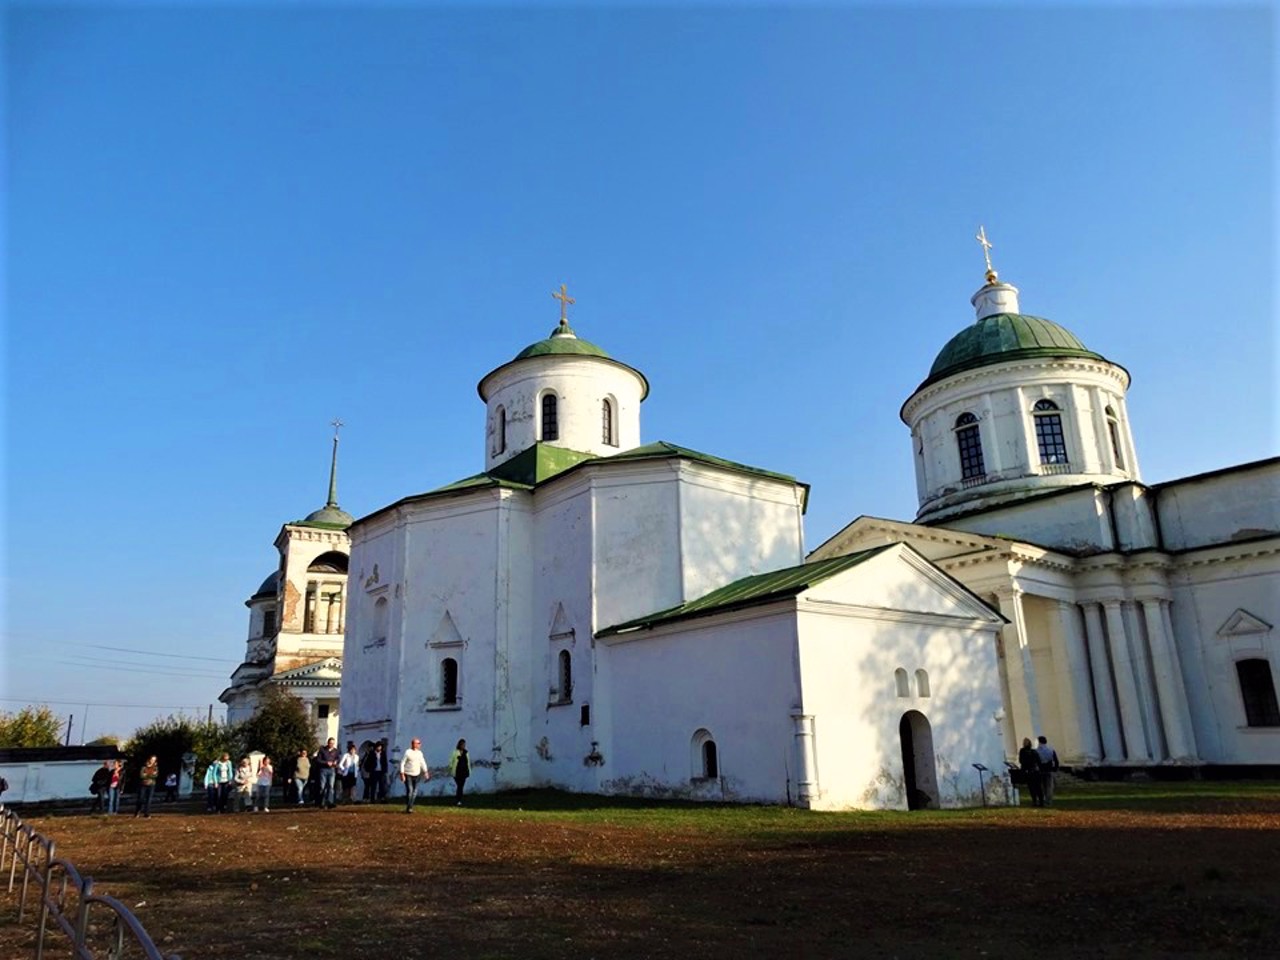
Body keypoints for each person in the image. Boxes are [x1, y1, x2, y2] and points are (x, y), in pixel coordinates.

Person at [399, 738, 430, 813]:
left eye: (419, 743)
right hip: (408, 774)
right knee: (410, 790)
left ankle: (410, 807)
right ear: (414, 744)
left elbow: (422, 762)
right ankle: (409, 808)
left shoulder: (420, 753)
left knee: (415, 791)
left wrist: (426, 772)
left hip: (417, 774)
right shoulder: (408, 752)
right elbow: (402, 763)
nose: (420, 744)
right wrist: (402, 773)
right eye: (418, 743)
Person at [1018, 737, 1044, 807]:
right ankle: (1041, 801)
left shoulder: (1022, 751)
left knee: (1032, 787)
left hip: (1029, 772)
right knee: (1038, 787)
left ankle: (1035, 801)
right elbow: (1039, 761)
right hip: (1035, 771)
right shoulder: (1034, 751)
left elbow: (1021, 761)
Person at [316, 738, 340, 809]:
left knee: (331, 786)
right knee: (322, 787)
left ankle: (330, 802)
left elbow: (338, 758)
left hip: (332, 769)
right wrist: (326, 762)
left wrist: (336, 761)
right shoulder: (322, 750)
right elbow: (318, 760)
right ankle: (321, 802)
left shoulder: (336, 751)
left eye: (333, 743)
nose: (331, 744)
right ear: (328, 743)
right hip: (323, 769)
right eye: (330, 743)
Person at [1036, 735, 1060, 806]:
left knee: (1042, 786)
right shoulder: (1051, 750)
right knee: (1049, 787)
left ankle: (1042, 799)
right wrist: (1055, 768)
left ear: (1039, 742)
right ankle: (1048, 800)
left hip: (1040, 770)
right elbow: (1056, 760)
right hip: (1049, 769)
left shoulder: (1037, 751)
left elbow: (1036, 761)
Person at [449, 739, 470, 805]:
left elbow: (468, 762)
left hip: (464, 772)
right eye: (462, 745)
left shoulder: (466, 752)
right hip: (457, 772)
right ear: (459, 745)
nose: (463, 746)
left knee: (461, 786)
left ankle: (459, 799)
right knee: (459, 786)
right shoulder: (455, 752)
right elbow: (450, 761)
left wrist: (469, 770)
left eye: (464, 745)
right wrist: (451, 768)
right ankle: (458, 799)